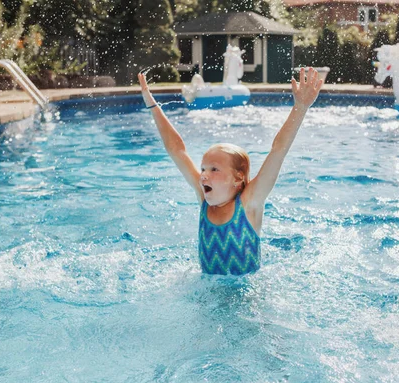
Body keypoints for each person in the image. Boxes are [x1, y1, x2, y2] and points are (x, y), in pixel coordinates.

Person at [138, 68, 323, 275]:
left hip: (246, 298)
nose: (204, 175)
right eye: (203, 169)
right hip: (208, 293)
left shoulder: (249, 203)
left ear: (238, 178)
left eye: (214, 169)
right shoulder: (204, 199)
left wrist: (301, 107)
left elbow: (278, 150)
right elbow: (177, 150)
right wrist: (152, 105)